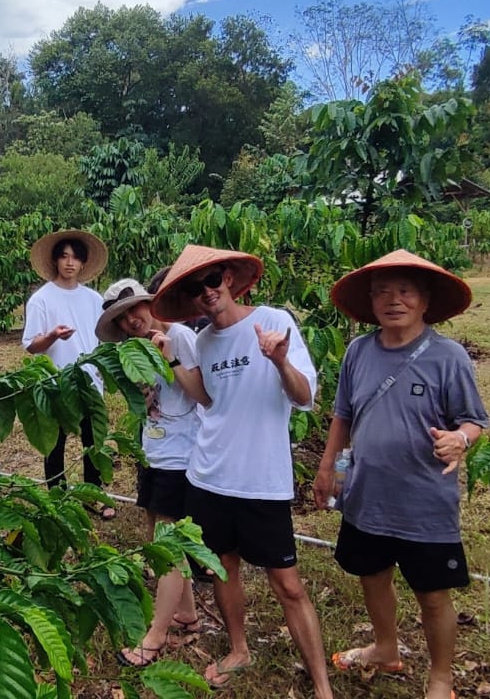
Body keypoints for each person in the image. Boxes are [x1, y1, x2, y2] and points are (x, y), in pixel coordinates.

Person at [150, 245, 333, 697]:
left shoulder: (273, 321)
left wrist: (279, 360)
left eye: (213, 281)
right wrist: (172, 359)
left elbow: (305, 395)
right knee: (222, 569)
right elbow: (208, 399)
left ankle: (322, 685)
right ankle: (238, 648)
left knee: (288, 584)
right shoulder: (206, 341)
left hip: (261, 478)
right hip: (209, 474)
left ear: (229, 278)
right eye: (196, 288)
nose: (207, 293)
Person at [316, 249, 489, 699]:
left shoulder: (448, 357)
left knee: (432, 594)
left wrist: (461, 440)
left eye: (405, 291)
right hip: (367, 496)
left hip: (423, 502)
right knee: (372, 577)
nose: (394, 300)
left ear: (425, 300)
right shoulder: (358, 350)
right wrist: (330, 469)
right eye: (382, 292)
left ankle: (441, 677)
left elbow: (475, 421)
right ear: (371, 302)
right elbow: (343, 416)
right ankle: (385, 647)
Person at [96, 278, 212, 668]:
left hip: (182, 456)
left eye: (136, 309)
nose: (133, 319)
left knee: (168, 545)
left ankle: (156, 635)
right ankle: (187, 614)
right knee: (156, 536)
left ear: (151, 305)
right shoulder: (133, 350)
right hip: (155, 452)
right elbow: (144, 403)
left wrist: (169, 360)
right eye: (123, 316)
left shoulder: (179, 337)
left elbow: (204, 395)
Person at [21, 230, 112, 514]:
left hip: (89, 384)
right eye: (63, 256)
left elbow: (102, 339)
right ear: (55, 261)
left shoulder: (94, 299)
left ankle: (93, 495)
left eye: (75, 257)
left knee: (93, 441)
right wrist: (52, 337)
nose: (69, 262)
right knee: (54, 444)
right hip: (55, 384)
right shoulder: (42, 300)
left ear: (83, 263)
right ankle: (56, 498)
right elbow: (31, 346)